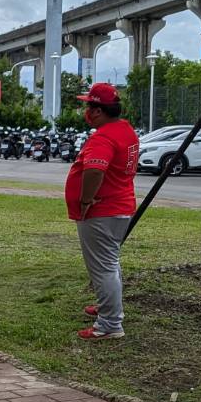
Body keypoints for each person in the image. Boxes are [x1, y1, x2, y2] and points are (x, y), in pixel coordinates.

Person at [66, 82, 140, 340]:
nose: (85, 111)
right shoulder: (125, 130)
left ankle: (109, 323)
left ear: (98, 111)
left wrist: (85, 200)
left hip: (102, 210)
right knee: (109, 262)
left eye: (88, 106)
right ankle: (107, 305)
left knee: (103, 266)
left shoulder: (104, 137)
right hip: (120, 206)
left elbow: (95, 170)